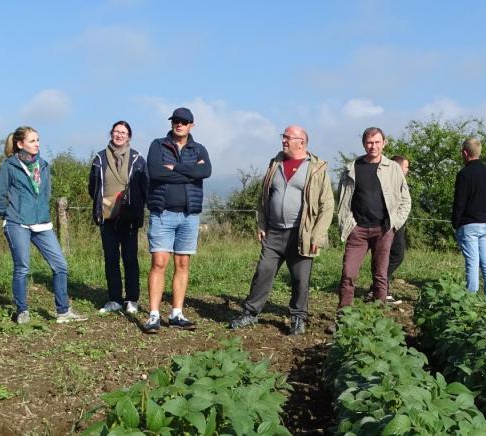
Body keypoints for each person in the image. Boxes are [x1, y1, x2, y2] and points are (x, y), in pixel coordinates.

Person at [229, 125, 334, 335]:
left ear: (301, 142)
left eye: (287, 137)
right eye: (283, 137)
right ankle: (250, 313)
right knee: (263, 272)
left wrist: (317, 234)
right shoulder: (275, 163)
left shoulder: (316, 168)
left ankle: (298, 318)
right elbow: (263, 198)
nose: (283, 141)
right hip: (274, 232)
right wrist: (261, 224)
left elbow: (327, 204)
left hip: (301, 234)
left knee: (300, 278)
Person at [0, 126, 88, 325]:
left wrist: (42, 212)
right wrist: (8, 215)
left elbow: (46, 193)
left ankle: (63, 311)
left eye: (38, 140)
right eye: (32, 141)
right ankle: (22, 311)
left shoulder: (44, 165)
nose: (37, 144)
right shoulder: (9, 166)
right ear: (20, 144)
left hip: (42, 223)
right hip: (17, 222)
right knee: (23, 268)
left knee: (60, 265)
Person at [143, 107, 212, 333]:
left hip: (189, 215)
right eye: (176, 121)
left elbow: (206, 172)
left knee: (182, 264)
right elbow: (155, 172)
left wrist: (176, 168)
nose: (179, 124)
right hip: (162, 213)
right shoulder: (157, 145)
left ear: (192, 125)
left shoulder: (199, 148)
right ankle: (153, 316)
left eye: (184, 121)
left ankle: (176, 314)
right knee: (159, 263)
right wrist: (191, 172)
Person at [336, 127, 411, 310]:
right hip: (358, 230)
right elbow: (342, 199)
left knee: (380, 275)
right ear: (364, 144)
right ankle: (343, 317)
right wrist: (347, 223)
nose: (373, 146)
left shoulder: (393, 168)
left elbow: (405, 200)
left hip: (383, 229)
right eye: (369, 142)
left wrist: (394, 224)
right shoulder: (352, 168)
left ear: (384, 143)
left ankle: (377, 318)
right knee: (348, 274)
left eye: (377, 142)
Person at [88, 121, 148, 316]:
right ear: (111, 134)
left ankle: (132, 299)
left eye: (123, 132)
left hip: (129, 217)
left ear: (129, 136)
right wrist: (103, 204)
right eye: (116, 131)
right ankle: (114, 298)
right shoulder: (99, 158)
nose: (119, 135)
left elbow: (144, 187)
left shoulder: (138, 159)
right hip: (106, 217)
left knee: (130, 258)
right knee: (110, 258)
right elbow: (93, 186)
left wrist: (134, 207)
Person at [450, 138, 486, 299]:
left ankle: (470, 299)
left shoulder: (464, 174)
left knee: (472, 262)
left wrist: (455, 222)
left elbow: (460, 201)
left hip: (469, 224)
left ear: (465, 153)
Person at [370, 155, 409, 304]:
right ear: (398, 167)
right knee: (396, 255)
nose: (408, 170)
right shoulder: (392, 181)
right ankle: (379, 288)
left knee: (389, 256)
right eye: (406, 167)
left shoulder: (398, 181)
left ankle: (380, 287)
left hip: (396, 222)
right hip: (391, 223)